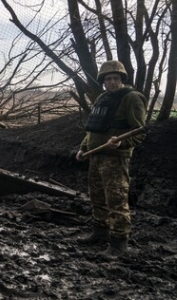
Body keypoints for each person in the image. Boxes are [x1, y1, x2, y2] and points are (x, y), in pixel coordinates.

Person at [76, 60, 147, 258]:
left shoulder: (132, 98)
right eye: (108, 79)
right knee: (97, 196)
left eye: (116, 78)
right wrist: (83, 148)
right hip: (96, 155)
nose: (112, 82)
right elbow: (94, 127)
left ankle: (118, 243)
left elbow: (140, 132)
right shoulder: (102, 98)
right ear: (103, 81)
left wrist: (121, 143)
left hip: (115, 158)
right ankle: (99, 232)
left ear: (122, 79)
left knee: (116, 199)